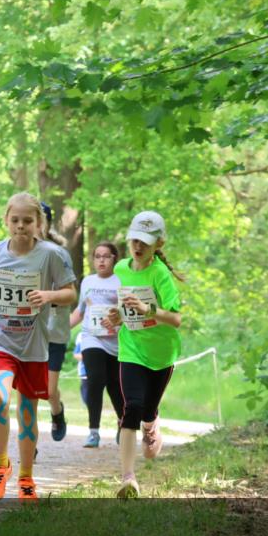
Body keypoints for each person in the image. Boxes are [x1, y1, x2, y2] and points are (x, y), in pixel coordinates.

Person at [0, 192, 76, 501]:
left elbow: (70, 293)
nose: (20, 226)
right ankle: (1, 466)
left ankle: (27, 477)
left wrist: (48, 296)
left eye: (27, 221)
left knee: (27, 410)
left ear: (39, 223)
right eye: (15, 220)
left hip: (33, 345)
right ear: (6, 221)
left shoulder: (51, 255)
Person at [105, 212, 183, 498]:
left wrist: (146, 309)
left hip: (162, 354)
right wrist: (117, 317)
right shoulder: (121, 270)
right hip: (132, 349)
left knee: (147, 409)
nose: (138, 247)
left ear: (158, 243)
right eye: (135, 240)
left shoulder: (160, 274)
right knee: (132, 406)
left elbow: (175, 319)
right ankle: (128, 479)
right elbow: (126, 310)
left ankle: (152, 424)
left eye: (146, 243)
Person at [69, 241, 124, 449]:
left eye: (106, 256)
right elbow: (80, 311)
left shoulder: (121, 281)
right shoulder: (87, 282)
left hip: (116, 341)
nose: (101, 260)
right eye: (97, 256)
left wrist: (119, 318)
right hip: (92, 338)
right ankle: (93, 432)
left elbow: (128, 311)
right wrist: (61, 331)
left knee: (115, 386)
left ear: (113, 259)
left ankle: (122, 424)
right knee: (95, 379)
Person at [40, 202, 75, 442]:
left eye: (39, 220)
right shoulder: (15, 254)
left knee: (49, 390)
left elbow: (71, 294)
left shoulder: (60, 254)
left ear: (48, 224)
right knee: (25, 394)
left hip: (54, 333)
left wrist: (48, 297)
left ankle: (57, 411)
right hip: (26, 333)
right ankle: (28, 442)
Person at [73, 340, 88, 408]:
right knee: (85, 388)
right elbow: (76, 354)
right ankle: (86, 405)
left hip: (97, 370)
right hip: (84, 371)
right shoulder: (82, 337)